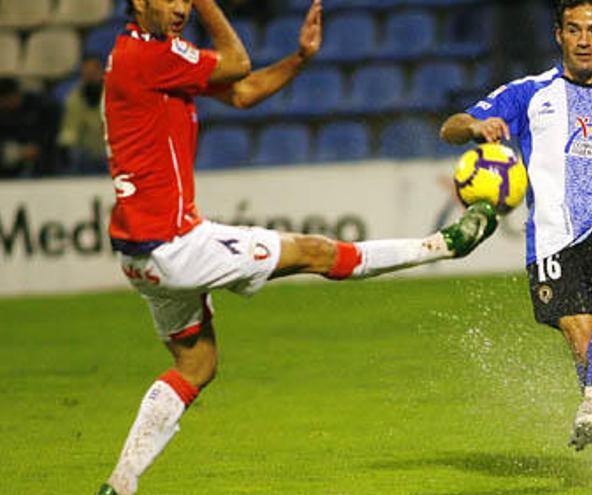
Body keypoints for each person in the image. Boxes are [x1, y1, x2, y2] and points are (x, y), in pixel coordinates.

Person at [95, 0, 497, 493]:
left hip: (141, 257)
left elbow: (241, 92)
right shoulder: (149, 56)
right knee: (317, 253)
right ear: (138, 2)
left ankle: (120, 482)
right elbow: (237, 62)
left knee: (196, 366)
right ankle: (445, 244)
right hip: (175, 242)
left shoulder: (150, 56)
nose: (181, 8)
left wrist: (299, 58)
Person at [440, 0, 592, 485]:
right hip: (550, 242)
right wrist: (478, 127)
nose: (584, 39)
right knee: (585, 348)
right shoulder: (528, 93)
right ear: (559, 35)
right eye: (573, 29)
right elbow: (451, 126)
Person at [57, 54, 106, 174]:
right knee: (74, 155)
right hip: (86, 152)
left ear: (102, 72)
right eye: (87, 75)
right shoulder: (74, 98)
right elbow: (70, 129)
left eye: (94, 74)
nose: (91, 77)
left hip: (111, 151)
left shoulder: (116, 94)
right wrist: (67, 145)